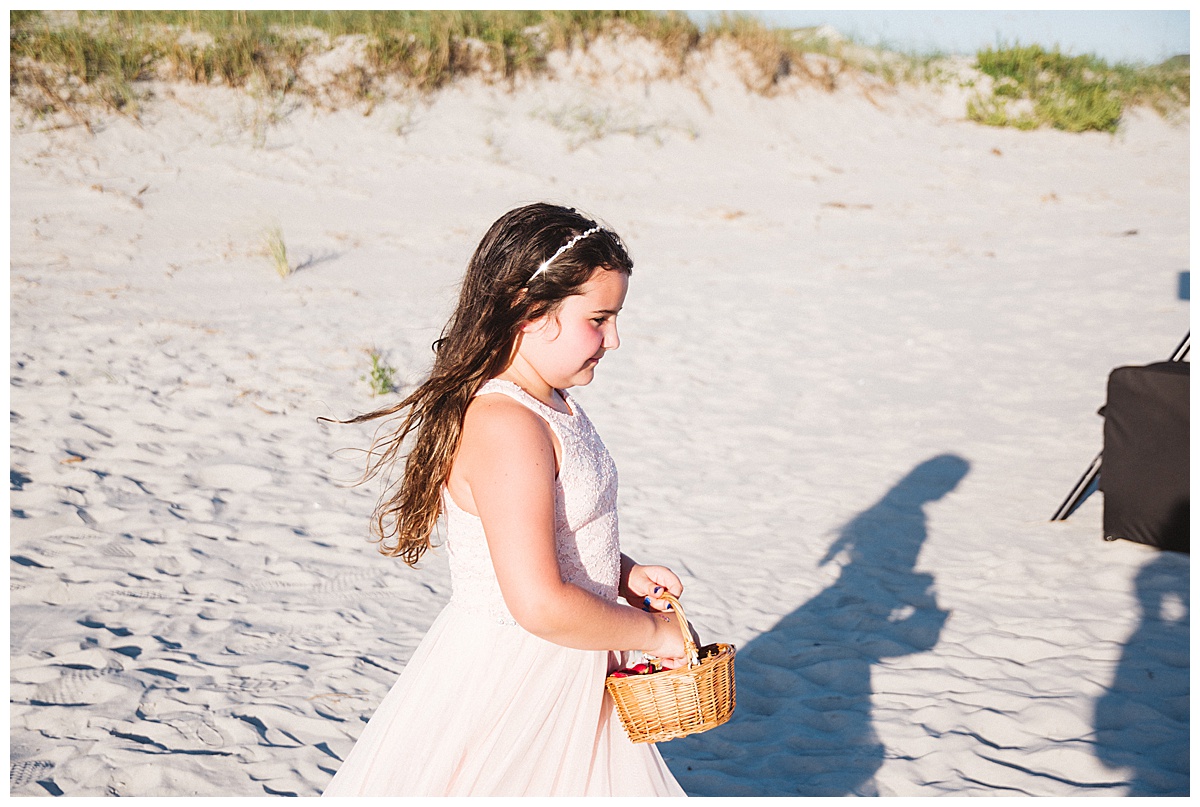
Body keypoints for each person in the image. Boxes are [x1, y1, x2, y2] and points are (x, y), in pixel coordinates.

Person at [321, 203, 689, 796]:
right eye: (599, 318)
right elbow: (539, 605)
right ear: (528, 310)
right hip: (523, 675)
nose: (614, 340)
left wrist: (620, 574)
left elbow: (551, 537)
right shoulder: (507, 425)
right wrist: (653, 636)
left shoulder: (552, 402)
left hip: (572, 655)